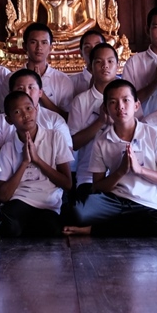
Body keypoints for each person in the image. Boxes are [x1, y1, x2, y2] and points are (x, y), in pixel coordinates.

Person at [64, 80, 157, 237]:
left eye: (126, 100)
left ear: (136, 105)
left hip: (145, 202)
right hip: (113, 200)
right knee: (75, 213)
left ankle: (93, 230)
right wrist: (120, 172)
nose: (120, 107)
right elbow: (97, 186)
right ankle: (125, 224)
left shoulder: (154, 134)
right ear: (106, 109)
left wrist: (140, 170)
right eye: (113, 102)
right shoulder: (102, 140)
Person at [0, 91, 73, 237]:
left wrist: (37, 160)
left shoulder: (55, 137)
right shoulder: (8, 148)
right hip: (20, 200)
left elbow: (67, 184)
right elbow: (3, 196)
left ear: (36, 109)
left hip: (48, 204)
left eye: (28, 108)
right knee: (9, 225)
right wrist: (24, 162)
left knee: (50, 229)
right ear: (9, 120)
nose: (25, 115)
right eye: (17, 112)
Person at [68, 43, 120, 200]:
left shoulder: (127, 98)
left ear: (117, 65)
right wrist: (100, 122)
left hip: (122, 175)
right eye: (99, 62)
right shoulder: (81, 101)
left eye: (110, 61)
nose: (105, 66)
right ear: (90, 66)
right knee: (82, 210)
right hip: (88, 176)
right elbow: (73, 143)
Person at [0, 68, 71, 153]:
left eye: (31, 87)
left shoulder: (55, 119)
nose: (26, 93)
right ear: (11, 93)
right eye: (20, 88)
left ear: (40, 92)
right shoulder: (0, 121)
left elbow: (67, 153)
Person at [23, 22, 74, 119]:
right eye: (33, 42)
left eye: (44, 42)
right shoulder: (11, 78)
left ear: (51, 47)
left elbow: (67, 118)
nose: (39, 48)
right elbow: (6, 115)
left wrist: (41, 93)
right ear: (24, 46)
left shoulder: (63, 80)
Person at [70, 30, 107, 97]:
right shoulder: (71, 83)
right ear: (81, 53)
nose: (93, 50)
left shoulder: (117, 82)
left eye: (97, 45)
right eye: (87, 47)